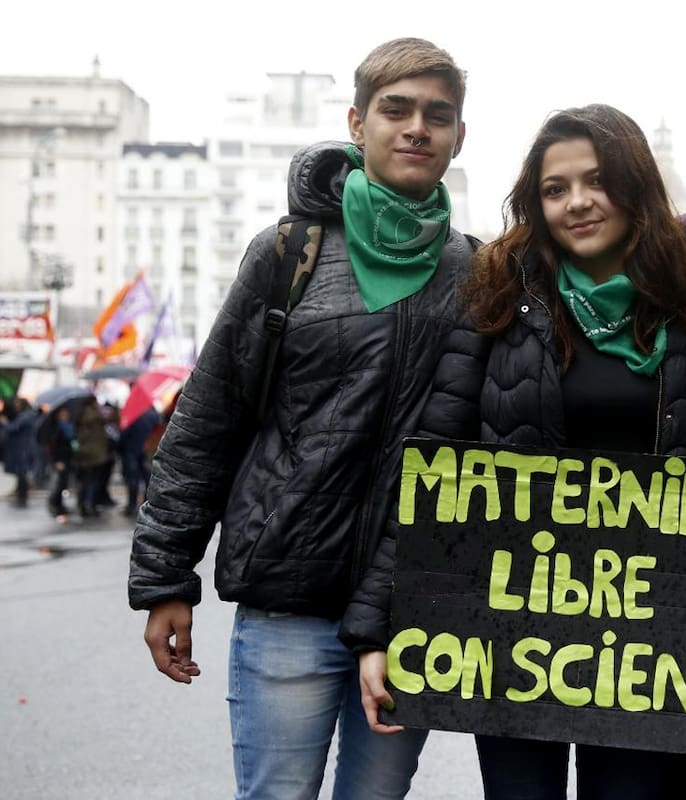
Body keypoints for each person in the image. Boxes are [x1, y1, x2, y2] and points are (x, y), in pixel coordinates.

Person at [340, 103, 686, 800]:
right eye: (555, 188)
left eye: (596, 181)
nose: (578, 203)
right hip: (506, 635)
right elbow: (432, 468)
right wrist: (375, 627)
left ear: (634, 185)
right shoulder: (498, 301)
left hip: (647, 642)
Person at [128, 37, 486, 799]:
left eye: (438, 114)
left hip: (407, 613)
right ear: (358, 124)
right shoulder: (288, 252)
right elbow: (208, 420)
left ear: (459, 136)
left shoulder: (478, 271)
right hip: (287, 603)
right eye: (397, 109)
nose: (417, 127)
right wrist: (165, 576)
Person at [117, 406, 159, 517]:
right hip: (147, 450)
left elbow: (124, 434)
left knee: (133, 480)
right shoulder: (154, 415)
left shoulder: (132, 415)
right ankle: (147, 503)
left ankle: (132, 505)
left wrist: (119, 448)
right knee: (148, 478)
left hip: (132, 450)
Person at [74, 396, 109, 518]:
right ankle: (92, 505)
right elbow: (107, 421)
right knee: (94, 481)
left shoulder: (80, 416)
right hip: (96, 454)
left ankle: (82, 505)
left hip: (84, 454)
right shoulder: (96, 416)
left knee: (84, 481)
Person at [4, 397, 38, 508]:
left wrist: (4, 423)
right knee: (20, 473)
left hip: (24, 448)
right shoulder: (27, 415)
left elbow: (13, 428)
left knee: (22, 473)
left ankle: (22, 497)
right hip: (24, 447)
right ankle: (20, 495)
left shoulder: (26, 416)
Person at [46, 405, 76, 522]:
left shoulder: (68, 427)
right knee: (57, 484)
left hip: (67, 458)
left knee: (63, 483)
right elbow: (53, 447)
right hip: (60, 460)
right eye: (63, 414)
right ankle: (54, 505)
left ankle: (60, 505)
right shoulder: (56, 429)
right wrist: (56, 461)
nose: (65, 416)